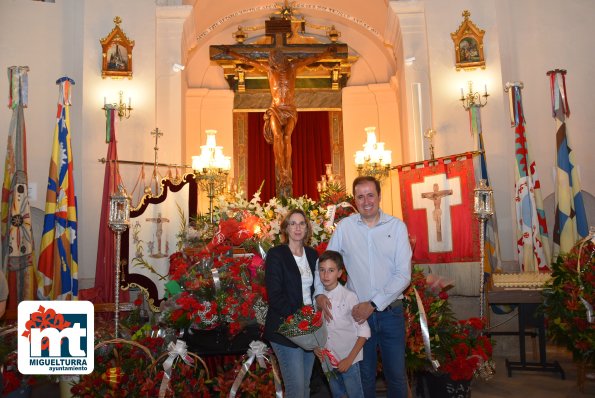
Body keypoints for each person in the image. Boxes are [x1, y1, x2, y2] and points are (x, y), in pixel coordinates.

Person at [315, 176, 412, 398]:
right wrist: (320, 293)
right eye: (360, 196)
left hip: (390, 312)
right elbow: (327, 261)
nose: (366, 201)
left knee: (396, 375)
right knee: (364, 375)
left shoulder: (396, 227)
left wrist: (374, 303)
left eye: (370, 195)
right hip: (358, 316)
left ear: (379, 196)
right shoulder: (345, 228)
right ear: (355, 200)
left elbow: (403, 274)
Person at [225, 46, 336, 197]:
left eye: (277, 61)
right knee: (277, 136)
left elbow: (311, 59)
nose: (276, 64)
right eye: (274, 62)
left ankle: (286, 170)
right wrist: (231, 53)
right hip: (276, 109)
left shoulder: (292, 66)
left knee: (286, 137)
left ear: (282, 59)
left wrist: (326, 53)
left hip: (289, 109)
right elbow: (248, 60)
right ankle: (283, 170)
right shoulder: (270, 70)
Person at [264, 208, 319, 398]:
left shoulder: (313, 255)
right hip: (285, 328)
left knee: (305, 388)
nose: (297, 227)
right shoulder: (276, 254)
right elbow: (275, 295)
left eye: (301, 223)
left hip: (310, 328)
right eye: (292, 223)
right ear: (286, 229)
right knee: (296, 390)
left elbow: (318, 289)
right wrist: (300, 319)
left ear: (307, 228)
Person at [315, 250, 370, 398]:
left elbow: (364, 332)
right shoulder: (318, 300)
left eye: (331, 270)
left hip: (348, 361)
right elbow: (316, 328)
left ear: (339, 273)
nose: (326, 275)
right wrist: (316, 348)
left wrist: (349, 359)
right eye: (322, 270)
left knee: (355, 395)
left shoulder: (349, 296)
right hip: (327, 361)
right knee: (337, 395)